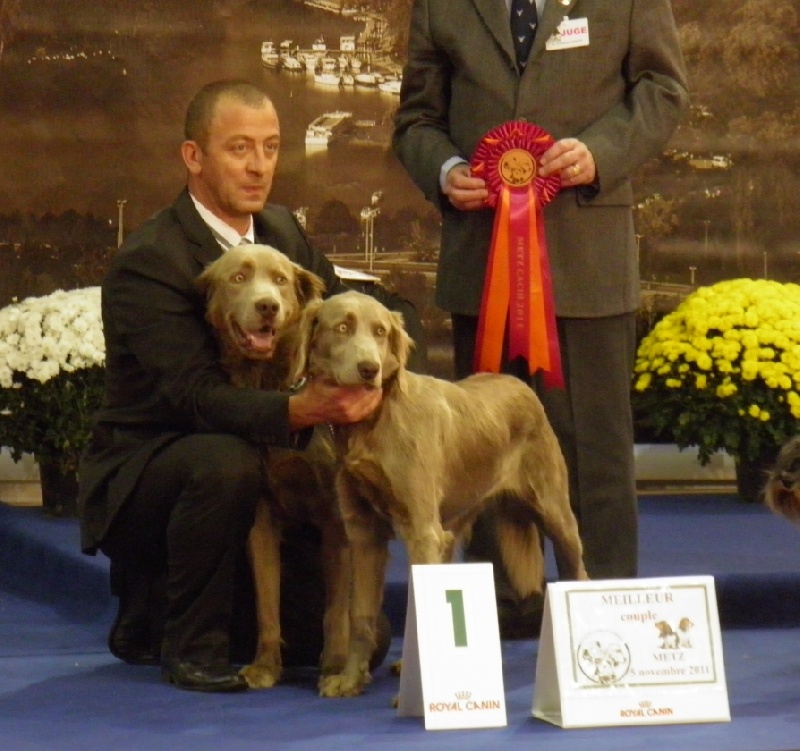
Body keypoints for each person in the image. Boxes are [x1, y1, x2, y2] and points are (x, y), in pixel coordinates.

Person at [78, 79, 426, 692]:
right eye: (239, 148)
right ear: (194, 156)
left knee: (349, 646)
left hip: (268, 454)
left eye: (270, 147)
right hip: (160, 463)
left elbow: (345, 304)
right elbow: (197, 398)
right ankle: (189, 644)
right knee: (225, 460)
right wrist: (302, 409)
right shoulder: (151, 260)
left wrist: (392, 338)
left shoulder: (282, 231)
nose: (259, 165)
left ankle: (188, 618)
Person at [393, 0, 689, 634]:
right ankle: (500, 611)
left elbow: (663, 89)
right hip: (482, 265)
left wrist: (601, 153)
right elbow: (416, 120)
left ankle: (605, 612)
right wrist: (445, 170)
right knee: (480, 450)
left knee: (596, 453)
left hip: (588, 264)